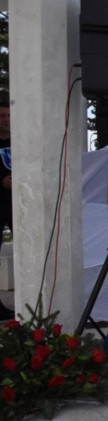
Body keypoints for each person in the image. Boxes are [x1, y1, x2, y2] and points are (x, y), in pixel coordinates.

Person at [0, 99, 11, 320]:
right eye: (2, 116)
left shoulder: (18, 140)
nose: (7, 120)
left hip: (19, 201)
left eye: (9, 116)